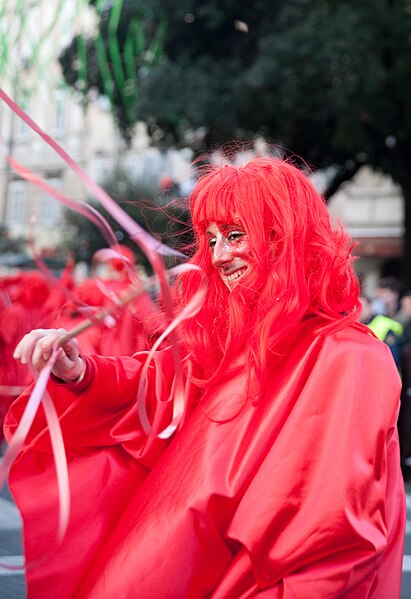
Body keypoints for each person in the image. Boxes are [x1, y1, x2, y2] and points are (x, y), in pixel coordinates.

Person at [6, 156, 405, 598]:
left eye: (235, 236)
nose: (218, 256)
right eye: (210, 240)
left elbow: (336, 540)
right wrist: (79, 370)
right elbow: (157, 388)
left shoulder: (350, 358)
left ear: (283, 236)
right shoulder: (232, 344)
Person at [359, 294, 403, 366]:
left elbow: (393, 357)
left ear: (370, 307)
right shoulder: (352, 326)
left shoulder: (384, 324)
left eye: (363, 307)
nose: (360, 311)